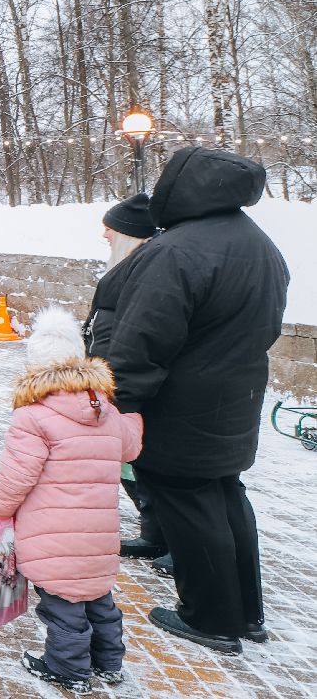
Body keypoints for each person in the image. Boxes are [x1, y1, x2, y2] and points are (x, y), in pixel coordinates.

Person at [104, 147, 289, 655]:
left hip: (181, 405)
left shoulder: (177, 251)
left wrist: (121, 403)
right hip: (237, 396)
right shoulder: (259, 244)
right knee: (226, 497)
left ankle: (212, 619)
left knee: (188, 503)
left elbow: (143, 340)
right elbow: (268, 325)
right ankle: (245, 614)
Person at [0, 305, 143, 695]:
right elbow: (130, 447)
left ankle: (68, 669)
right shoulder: (103, 407)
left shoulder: (33, 416)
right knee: (98, 598)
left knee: (63, 603)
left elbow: (17, 476)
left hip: (53, 534)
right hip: (99, 534)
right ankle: (108, 663)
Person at [80, 193, 162, 561]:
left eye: (110, 228)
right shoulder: (125, 269)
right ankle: (154, 531)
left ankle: (166, 533)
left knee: (136, 460)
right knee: (128, 463)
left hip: (122, 383)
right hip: (109, 378)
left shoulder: (139, 273)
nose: (104, 235)